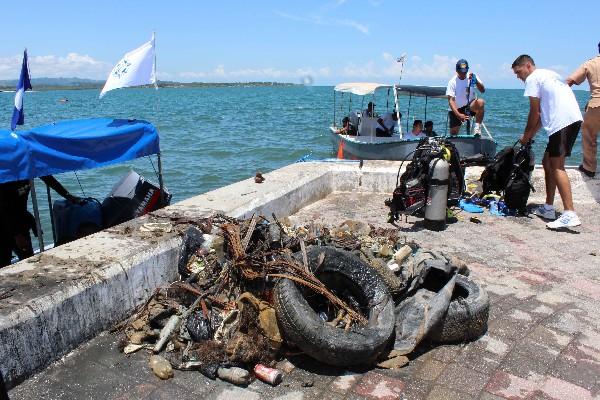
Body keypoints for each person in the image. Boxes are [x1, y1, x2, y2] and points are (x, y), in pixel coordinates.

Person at [512, 54, 583, 229]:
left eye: (518, 72)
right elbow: (542, 116)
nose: (518, 76)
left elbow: (534, 112)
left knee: (557, 165)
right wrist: (531, 135)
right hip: (568, 119)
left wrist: (526, 135)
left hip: (563, 122)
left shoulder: (533, 78)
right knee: (547, 162)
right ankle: (548, 208)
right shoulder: (548, 75)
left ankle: (569, 213)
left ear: (528, 66)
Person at [0, 176, 81, 267]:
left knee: (27, 258)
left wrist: (68, 195)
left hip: (20, 219)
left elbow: (49, 179)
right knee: (4, 262)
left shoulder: (29, 169)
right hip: (4, 222)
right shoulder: (6, 178)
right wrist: (17, 235)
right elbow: (4, 208)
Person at [566, 42, 600, 178]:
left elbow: (570, 80)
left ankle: (589, 168)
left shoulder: (591, 63)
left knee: (589, 136)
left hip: (596, 104)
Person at [446, 59, 486, 135]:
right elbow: (451, 100)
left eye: (465, 72)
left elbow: (482, 90)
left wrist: (476, 81)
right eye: (461, 72)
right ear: (457, 70)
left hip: (469, 106)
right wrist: (458, 115)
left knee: (481, 102)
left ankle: (477, 129)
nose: (463, 74)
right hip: (456, 109)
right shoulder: (452, 82)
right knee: (453, 134)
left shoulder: (472, 76)